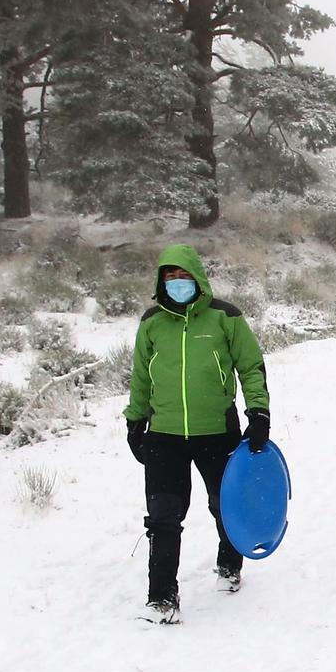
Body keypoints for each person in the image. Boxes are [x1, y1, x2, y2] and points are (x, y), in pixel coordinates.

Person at [123, 244, 271, 624]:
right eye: (169, 277)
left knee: (225, 505)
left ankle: (229, 565)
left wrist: (258, 411)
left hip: (217, 430)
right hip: (164, 435)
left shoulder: (225, 317)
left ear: (197, 277)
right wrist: (135, 420)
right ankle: (162, 598)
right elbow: (141, 374)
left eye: (182, 275)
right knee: (162, 516)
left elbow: (250, 366)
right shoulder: (152, 321)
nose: (176, 283)